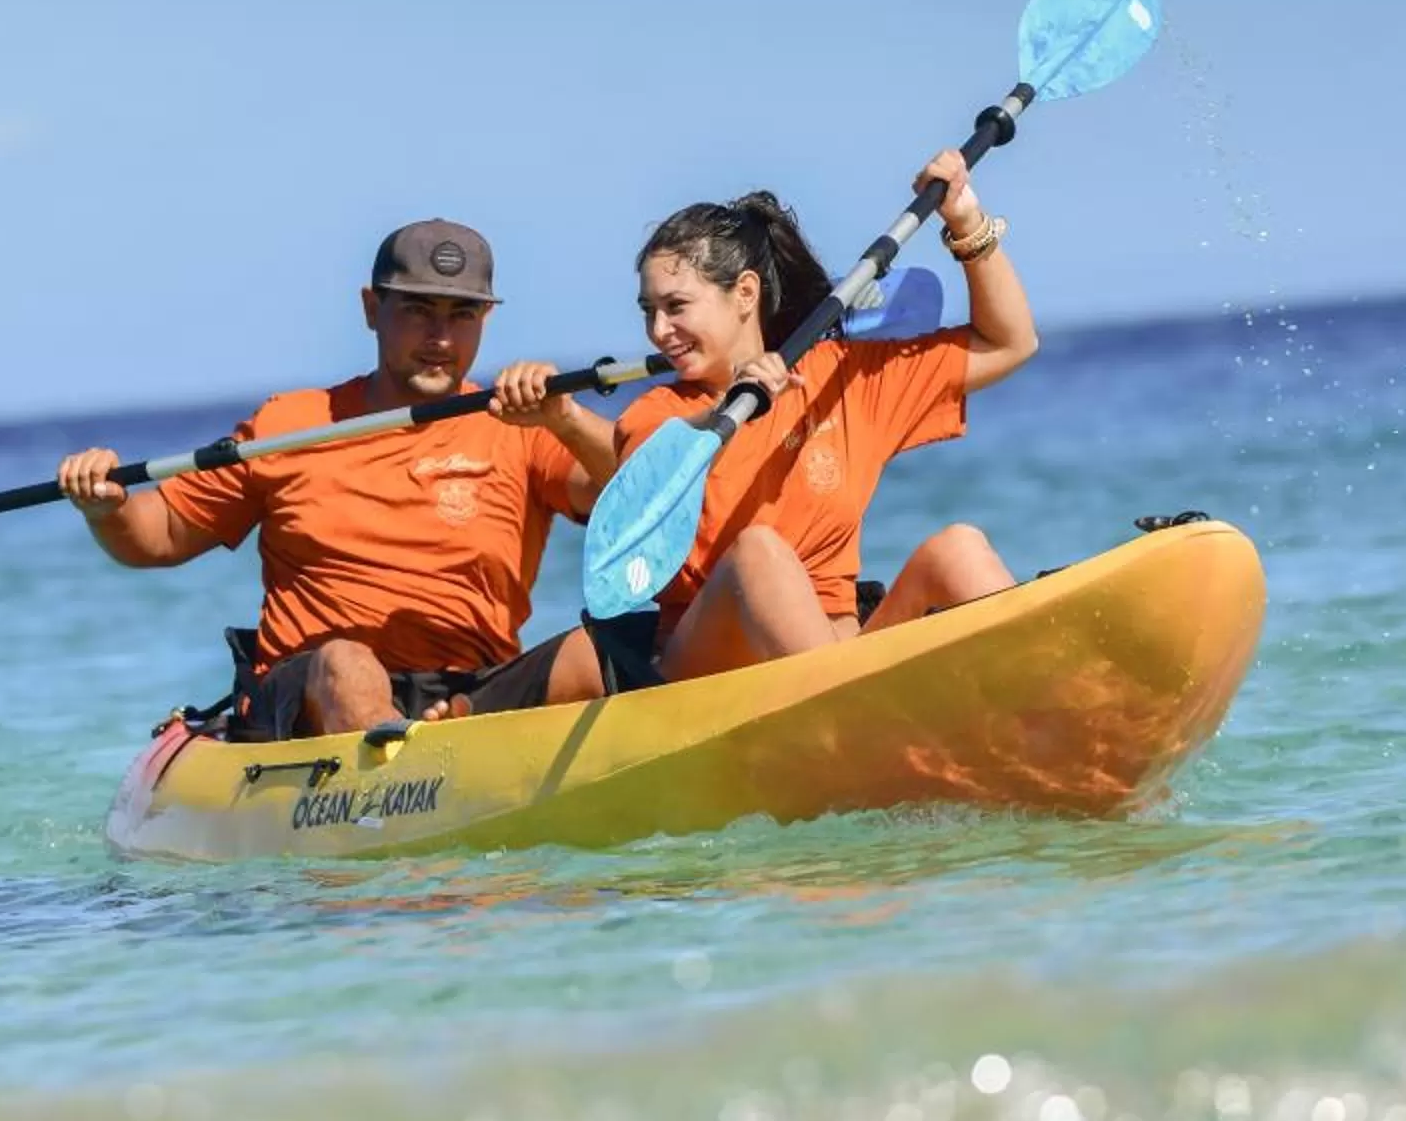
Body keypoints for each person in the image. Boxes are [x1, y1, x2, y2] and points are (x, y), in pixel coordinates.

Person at [57, 221, 609, 739]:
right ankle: (401, 773)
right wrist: (109, 508)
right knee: (348, 663)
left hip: (470, 689)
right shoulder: (289, 424)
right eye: (417, 310)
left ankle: (450, 737)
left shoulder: (519, 426)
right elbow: (162, 535)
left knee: (600, 650)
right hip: (314, 695)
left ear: (484, 319)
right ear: (372, 309)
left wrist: (566, 419)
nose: (440, 337)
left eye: (461, 314)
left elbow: (629, 494)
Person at [516, 149, 1040, 683]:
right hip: (709, 668)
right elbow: (653, 469)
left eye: (676, 307)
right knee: (757, 552)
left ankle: (1056, 700)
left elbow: (1008, 344)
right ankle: (838, 708)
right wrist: (729, 407)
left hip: (842, 650)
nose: (658, 331)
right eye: (649, 311)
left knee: (958, 550)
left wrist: (966, 222)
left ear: (745, 293)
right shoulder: (655, 414)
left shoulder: (843, 378)